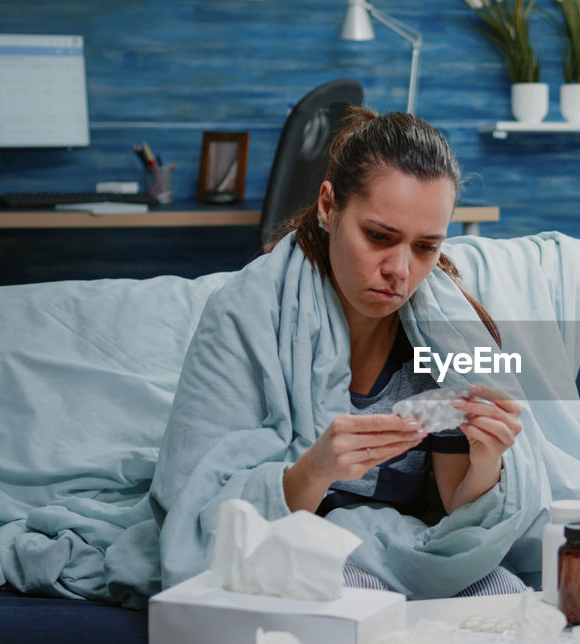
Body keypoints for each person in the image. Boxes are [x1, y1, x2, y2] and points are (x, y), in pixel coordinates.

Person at [152, 108, 532, 596]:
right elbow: (200, 512)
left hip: (410, 551)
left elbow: (459, 517)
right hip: (284, 545)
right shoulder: (244, 316)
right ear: (328, 207)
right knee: (346, 607)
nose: (400, 270)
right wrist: (317, 469)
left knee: (513, 603)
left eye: (425, 247)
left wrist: (487, 458)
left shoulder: (447, 334)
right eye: (379, 237)